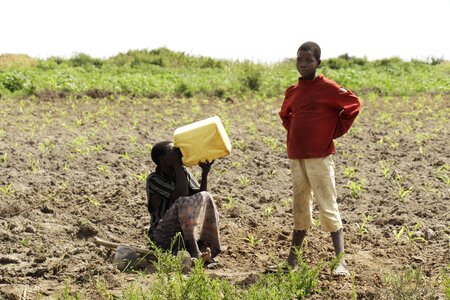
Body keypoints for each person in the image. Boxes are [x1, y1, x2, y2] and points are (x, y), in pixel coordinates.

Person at [278, 41, 361, 276]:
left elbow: (353, 105)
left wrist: (332, 131)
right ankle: (292, 262)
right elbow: (285, 115)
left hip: (320, 156)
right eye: (299, 60)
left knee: (327, 204)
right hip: (297, 155)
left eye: (308, 61)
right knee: (300, 206)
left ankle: (341, 262)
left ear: (318, 63)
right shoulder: (293, 91)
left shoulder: (328, 88)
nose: (302, 64)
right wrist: (296, 133)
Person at [146, 141, 221, 263]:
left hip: (182, 232)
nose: (179, 155)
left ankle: (205, 248)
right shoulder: (154, 179)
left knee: (206, 196)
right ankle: (195, 252)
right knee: (183, 202)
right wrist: (178, 165)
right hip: (163, 235)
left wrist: (204, 173)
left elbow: (199, 198)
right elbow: (181, 196)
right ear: (162, 159)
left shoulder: (182, 172)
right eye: (173, 153)